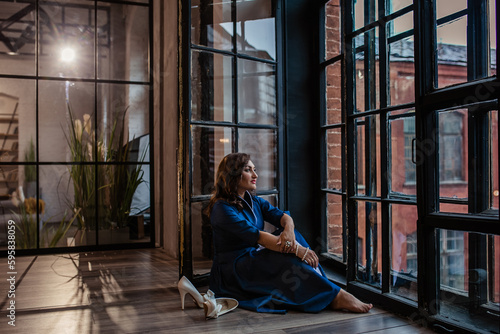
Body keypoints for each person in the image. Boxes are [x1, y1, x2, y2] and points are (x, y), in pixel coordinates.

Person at [205, 152, 373, 314]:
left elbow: (284, 217)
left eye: (254, 169)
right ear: (232, 174)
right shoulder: (222, 208)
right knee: (288, 256)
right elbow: (260, 237)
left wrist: (289, 232)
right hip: (235, 268)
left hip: (252, 256)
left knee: (295, 237)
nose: (255, 174)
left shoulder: (252, 199)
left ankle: (329, 290)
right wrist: (298, 250)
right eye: (248, 170)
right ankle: (334, 295)